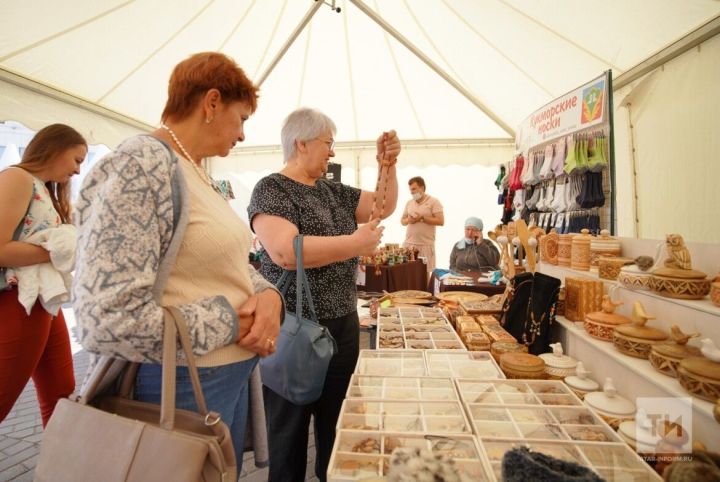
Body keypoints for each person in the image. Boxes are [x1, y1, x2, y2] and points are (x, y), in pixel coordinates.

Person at [72, 52, 283, 473]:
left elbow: (228, 262)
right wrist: (230, 322)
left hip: (218, 380)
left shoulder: (194, 171)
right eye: (241, 118)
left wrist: (269, 296)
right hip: (178, 387)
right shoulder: (141, 164)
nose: (242, 135)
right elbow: (106, 318)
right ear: (211, 103)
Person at [247, 107, 400, 482]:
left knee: (337, 423)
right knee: (289, 430)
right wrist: (353, 244)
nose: (332, 152)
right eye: (328, 144)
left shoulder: (332, 190)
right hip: (293, 328)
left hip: (341, 326)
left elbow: (382, 206)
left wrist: (388, 166)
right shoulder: (272, 189)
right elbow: (285, 252)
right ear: (301, 143)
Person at [0, 124, 86, 427]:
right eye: (77, 160)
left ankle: (60, 467)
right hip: (20, 301)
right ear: (55, 148)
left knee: (61, 391)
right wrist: (57, 252)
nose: (78, 171)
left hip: (44, 303)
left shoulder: (44, 189)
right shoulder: (17, 178)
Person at [401, 176, 444, 272]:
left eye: (414, 189)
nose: (411, 192)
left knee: (425, 274)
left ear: (422, 188)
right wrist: (409, 220)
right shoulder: (409, 203)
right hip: (409, 245)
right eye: (410, 190)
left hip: (426, 245)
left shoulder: (434, 201)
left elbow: (441, 221)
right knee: (407, 273)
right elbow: (402, 221)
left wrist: (422, 218)